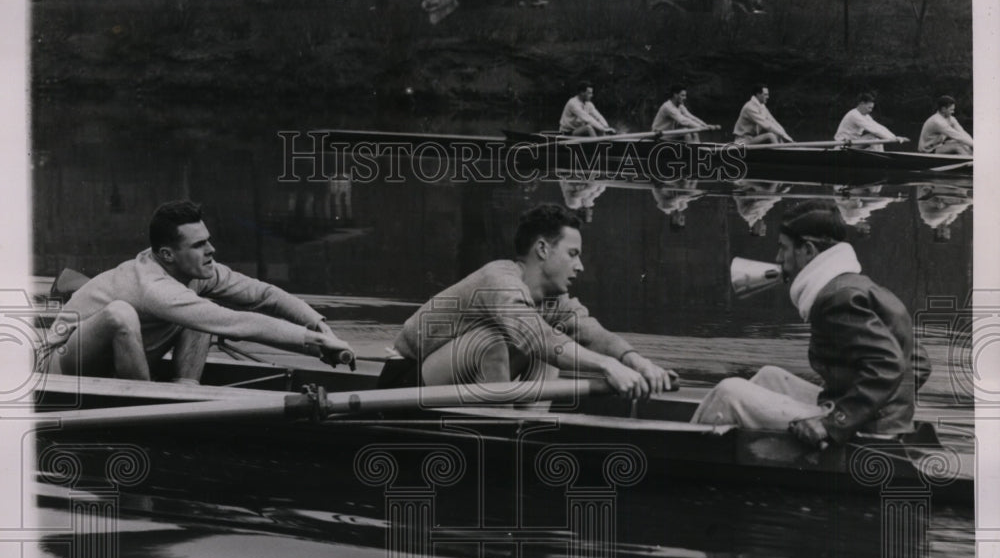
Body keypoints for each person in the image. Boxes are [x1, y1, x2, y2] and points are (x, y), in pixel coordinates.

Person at [691, 200, 930, 447]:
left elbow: (888, 364)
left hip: (862, 432)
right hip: (873, 422)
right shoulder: (857, 285)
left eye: (783, 248)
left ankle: (689, 451)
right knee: (769, 377)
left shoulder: (836, 298)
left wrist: (834, 422)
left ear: (808, 250)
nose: (778, 257)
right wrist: (888, 408)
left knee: (728, 393)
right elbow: (919, 362)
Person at [378, 204, 677, 397]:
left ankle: (529, 428)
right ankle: (507, 438)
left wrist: (638, 363)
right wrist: (607, 367)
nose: (581, 266)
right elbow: (535, 338)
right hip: (400, 386)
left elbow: (590, 332)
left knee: (556, 340)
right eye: (573, 254)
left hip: (450, 384)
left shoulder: (550, 300)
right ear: (543, 249)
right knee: (496, 340)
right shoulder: (499, 279)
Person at [46, 200, 354, 383]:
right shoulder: (154, 288)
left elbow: (265, 295)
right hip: (65, 365)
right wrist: (315, 343)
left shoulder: (198, 270)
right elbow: (239, 323)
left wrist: (320, 327)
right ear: (167, 255)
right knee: (120, 313)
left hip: (124, 356)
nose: (211, 249)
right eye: (198, 245)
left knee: (201, 305)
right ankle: (146, 402)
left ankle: (185, 387)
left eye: (207, 240)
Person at [834, 93, 907, 151]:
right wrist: (893, 139)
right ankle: (880, 160)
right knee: (872, 137)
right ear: (862, 104)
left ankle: (879, 156)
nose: (870, 110)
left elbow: (878, 127)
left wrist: (894, 137)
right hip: (843, 145)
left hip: (853, 143)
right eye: (869, 107)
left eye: (872, 108)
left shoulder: (865, 116)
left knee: (875, 138)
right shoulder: (854, 115)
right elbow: (874, 130)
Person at [651, 85, 718, 142]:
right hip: (659, 135)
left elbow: (691, 117)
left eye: (685, 96)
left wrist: (705, 125)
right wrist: (701, 128)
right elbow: (683, 121)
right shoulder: (668, 107)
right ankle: (693, 153)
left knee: (694, 131)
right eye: (682, 95)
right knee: (685, 131)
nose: (685, 98)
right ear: (675, 95)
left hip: (669, 133)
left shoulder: (680, 106)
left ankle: (697, 150)